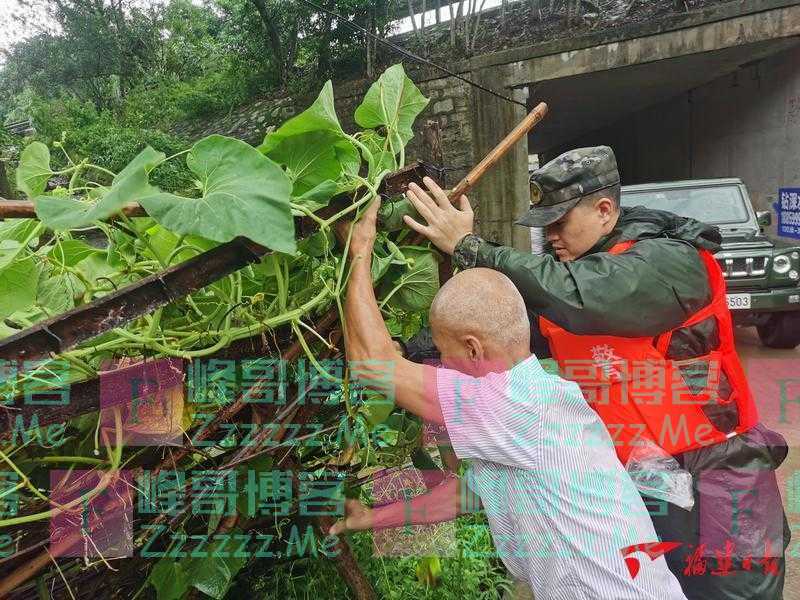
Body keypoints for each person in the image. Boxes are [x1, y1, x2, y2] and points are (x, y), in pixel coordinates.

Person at [400, 147, 790, 599]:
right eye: (544, 227)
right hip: (644, 481)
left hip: (721, 476)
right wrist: (406, 353)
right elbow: (499, 332)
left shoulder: (669, 262)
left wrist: (471, 248)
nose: (551, 237)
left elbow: (581, 295)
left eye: (559, 223)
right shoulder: (570, 284)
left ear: (605, 210)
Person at [329, 198, 688, 600]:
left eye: (442, 354)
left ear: (473, 350)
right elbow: (467, 494)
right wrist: (373, 518)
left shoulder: (505, 407)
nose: (438, 364)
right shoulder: (547, 397)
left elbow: (371, 363)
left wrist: (358, 251)